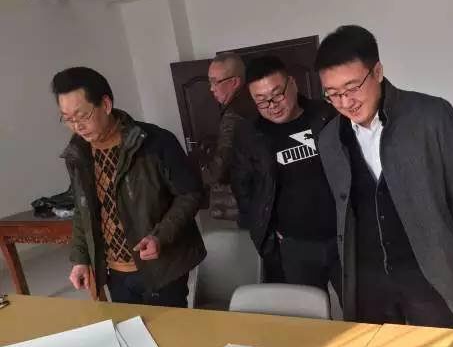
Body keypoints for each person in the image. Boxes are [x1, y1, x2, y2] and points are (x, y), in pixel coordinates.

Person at [314, 25, 453, 327]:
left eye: (352, 87)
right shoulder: (329, 139)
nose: (345, 102)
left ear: (377, 71)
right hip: (367, 279)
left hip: (428, 273)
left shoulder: (431, 115)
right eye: (333, 94)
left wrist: (440, 241)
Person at [53, 66, 205, 307]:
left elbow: (190, 194)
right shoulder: (78, 153)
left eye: (82, 116)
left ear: (105, 104)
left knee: (169, 328)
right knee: (129, 328)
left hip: (162, 266)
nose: (77, 127)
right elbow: (83, 210)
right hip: (115, 272)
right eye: (68, 119)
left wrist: (160, 236)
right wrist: (81, 259)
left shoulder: (155, 142)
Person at [231, 56, 341, 296]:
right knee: (307, 313)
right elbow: (244, 189)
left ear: (292, 83)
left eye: (277, 94)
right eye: (261, 101)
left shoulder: (325, 116)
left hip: (343, 237)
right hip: (293, 245)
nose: (272, 105)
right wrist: (268, 232)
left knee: (360, 308)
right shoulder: (250, 136)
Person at [206, 53, 257, 224]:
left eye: (215, 82)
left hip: (247, 197)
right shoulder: (255, 100)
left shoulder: (233, 115)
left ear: (234, 82)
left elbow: (221, 166)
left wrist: (205, 173)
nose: (211, 88)